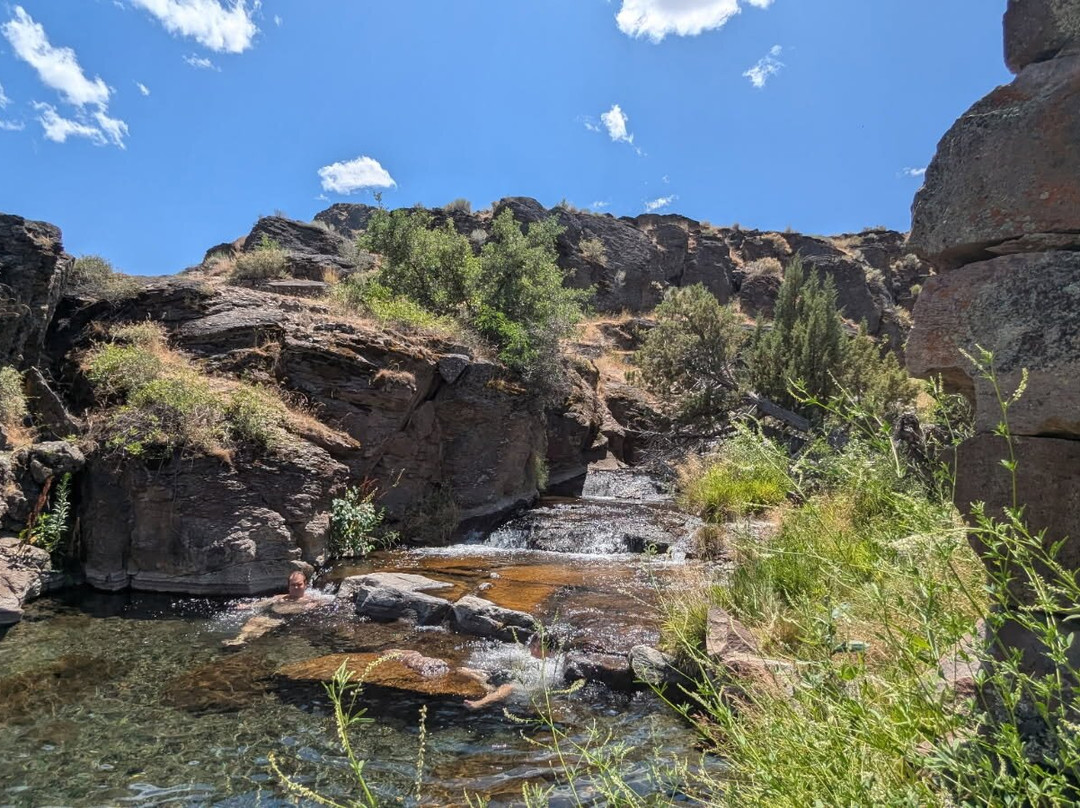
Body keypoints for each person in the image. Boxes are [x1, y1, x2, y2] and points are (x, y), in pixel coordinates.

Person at [223, 569, 320, 647]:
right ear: (289, 586)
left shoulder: (311, 599)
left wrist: (315, 604)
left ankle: (246, 642)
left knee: (263, 626)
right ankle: (239, 639)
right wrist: (248, 606)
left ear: (305, 584)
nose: (296, 587)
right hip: (272, 614)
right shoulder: (280, 597)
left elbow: (325, 600)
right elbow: (264, 602)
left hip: (285, 618)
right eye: (293, 585)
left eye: (299, 584)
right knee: (254, 621)